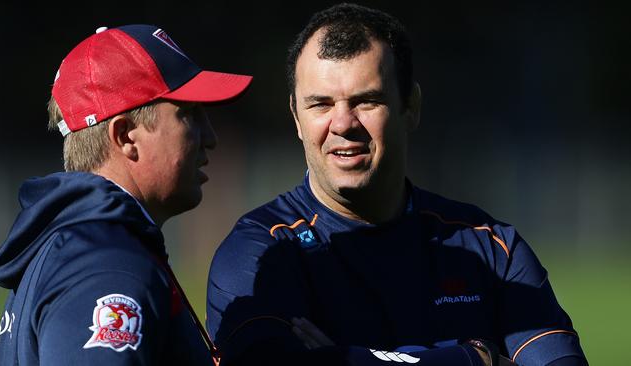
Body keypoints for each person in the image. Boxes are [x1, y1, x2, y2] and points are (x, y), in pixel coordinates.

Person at [206, 4, 587, 366]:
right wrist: (473, 358)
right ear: (296, 117)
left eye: (366, 101)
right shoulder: (259, 253)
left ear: (411, 107)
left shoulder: (491, 249)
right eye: (320, 104)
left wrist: (341, 358)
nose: (343, 124)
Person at [0, 24, 251, 365]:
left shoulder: (81, 246)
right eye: (188, 115)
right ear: (126, 136)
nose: (210, 137)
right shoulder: (106, 265)